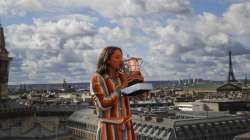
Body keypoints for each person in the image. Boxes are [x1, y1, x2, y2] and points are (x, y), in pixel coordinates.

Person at [90, 46, 144, 140]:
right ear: (107, 60)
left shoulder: (122, 77)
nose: (121, 60)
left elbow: (141, 98)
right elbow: (103, 104)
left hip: (126, 129)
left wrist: (139, 83)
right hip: (108, 129)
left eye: (121, 57)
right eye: (117, 57)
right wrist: (121, 88)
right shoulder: (97, 78)